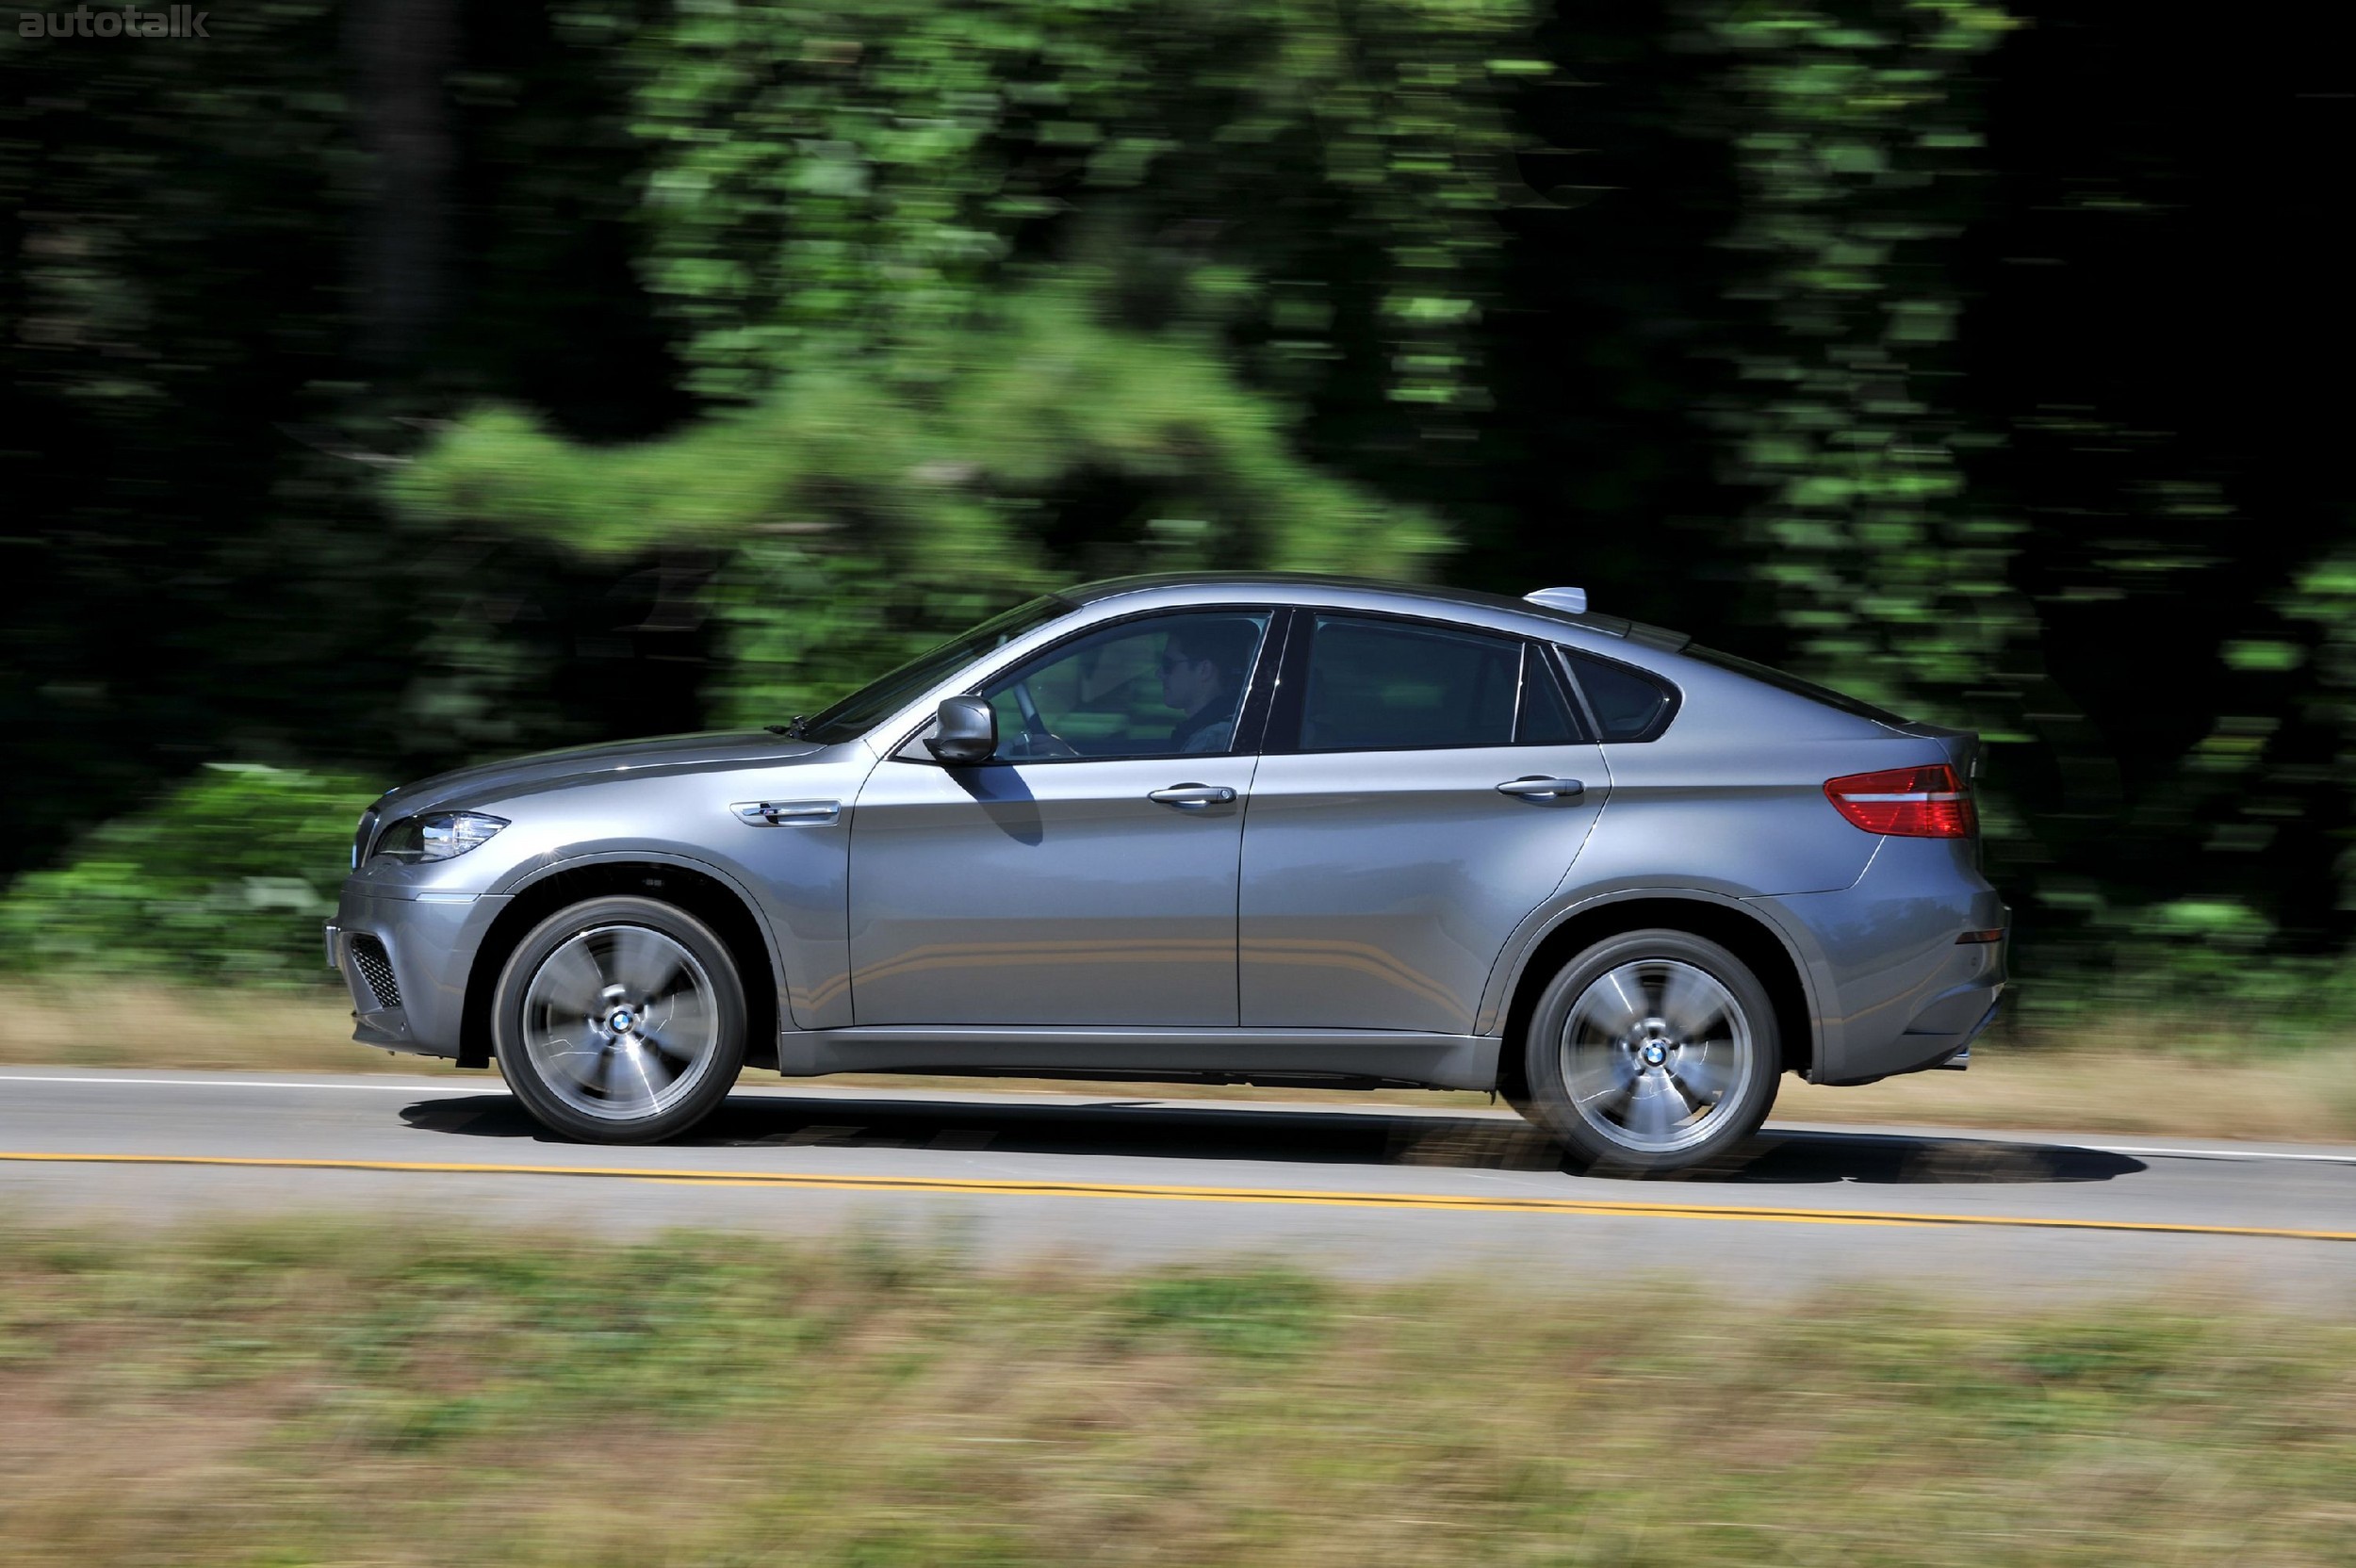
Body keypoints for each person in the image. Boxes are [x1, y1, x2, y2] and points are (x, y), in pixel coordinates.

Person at [1160, 619, 1259, 753]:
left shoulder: (1211, 741)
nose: (1159, 674)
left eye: (1168, 665)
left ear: (1204, 670)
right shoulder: (1211, 732)